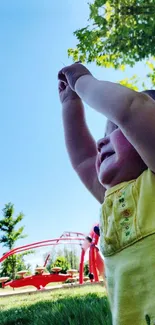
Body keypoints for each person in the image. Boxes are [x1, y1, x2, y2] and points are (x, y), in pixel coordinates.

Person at [58, 62, 155, 325]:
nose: (101, 143)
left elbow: (131, 109)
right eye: (104, 136)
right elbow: (83, 161)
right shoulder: (113, 198)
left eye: (117, 131)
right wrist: (70, 104)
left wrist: (81, 81)